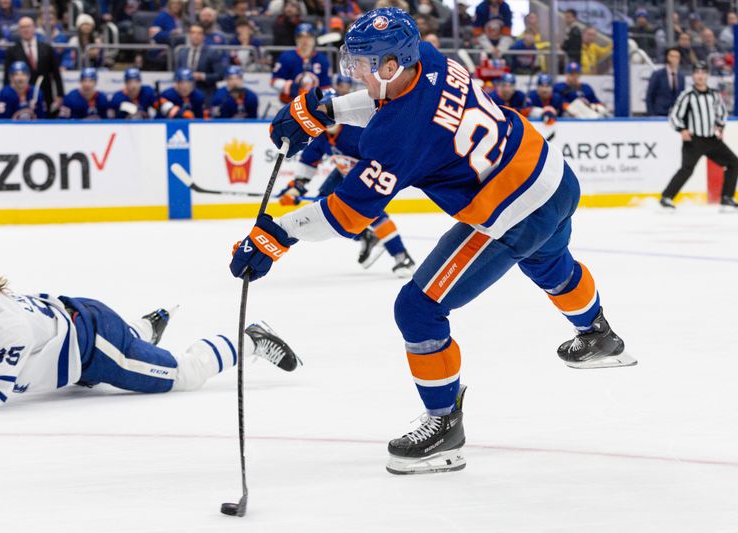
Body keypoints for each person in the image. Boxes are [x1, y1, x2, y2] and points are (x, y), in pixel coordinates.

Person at [234, 8, 635, 475]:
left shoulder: (398, 137)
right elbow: (395, 104)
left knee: (418, 308)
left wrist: (275, 235)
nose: (353, 71)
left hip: (513, 209)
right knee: (549, 263)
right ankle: (598, 334)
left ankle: (444, 427)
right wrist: (327, 112)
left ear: (389, 66)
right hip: (552, 175)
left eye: (361, 63)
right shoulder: (426, 57)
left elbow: (347, 213)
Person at [0, 267, 301, 417]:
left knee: (185, 375)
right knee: (131, 343)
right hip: (81, 329)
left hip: (98, 347)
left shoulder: (8, 326)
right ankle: (145, 327)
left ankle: (250, 339)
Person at [278, 119, 417, 277]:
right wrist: (296, 188)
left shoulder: (354, 131)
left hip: (372, 171)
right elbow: (309, 160)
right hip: (346, 172)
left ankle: (402, 256)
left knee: (369, 210)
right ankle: (365, 236)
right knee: (322, 205)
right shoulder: (321, 136)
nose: (327, 121)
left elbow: (381, 152)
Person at [661, 62, 738, 211]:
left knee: (734, 163)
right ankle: (666, 197)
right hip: (694, 140)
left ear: (707, 75)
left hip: (711, 139)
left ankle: (726, 198)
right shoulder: (687, 95)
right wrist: (682, 129)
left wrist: (720, 126)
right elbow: (674, 115)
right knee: (687, 169)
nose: (700, 76)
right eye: (697, 72)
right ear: (693, 76)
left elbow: (721, 113)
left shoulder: (714, 94)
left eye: (703, 72)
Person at [4, 17, 64, 117]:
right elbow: (7, 76)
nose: (25, 29)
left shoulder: (46, 48)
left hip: (45, 95)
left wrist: (60, 95)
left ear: (34, 28)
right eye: (22, 27)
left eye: (28, 26)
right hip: (21, 98)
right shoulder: (12, 51)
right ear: (19, 30)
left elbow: (56, 74)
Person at [271, 23, 331, 103]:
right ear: (296, 39)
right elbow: (274, 81)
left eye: (308, 36)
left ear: (314, 39)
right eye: (301, 37)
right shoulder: (286, 57)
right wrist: (288, 86)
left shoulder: (322, 60)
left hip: (315, 106)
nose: (304, 40)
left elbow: (326, 86)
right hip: (289, 103)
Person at [176, 23, 226, 105]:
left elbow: (220, 75)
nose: (196, 36)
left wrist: (202, 76)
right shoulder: (182, 53)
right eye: (193, 33)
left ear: (203, 36)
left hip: (205, 92)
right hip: (184, 94)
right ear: (189, 35)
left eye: (199, 33)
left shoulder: (212, 53)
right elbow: (177, 72)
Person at [646, 48, 684, 117]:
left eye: (677, 57)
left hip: (675, 115)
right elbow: (650, 96)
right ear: (667, 57)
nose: (674, 59)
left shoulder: (681, 77)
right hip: (659, 114)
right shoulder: (658, 74)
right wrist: (651, 115)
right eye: (672, 56)